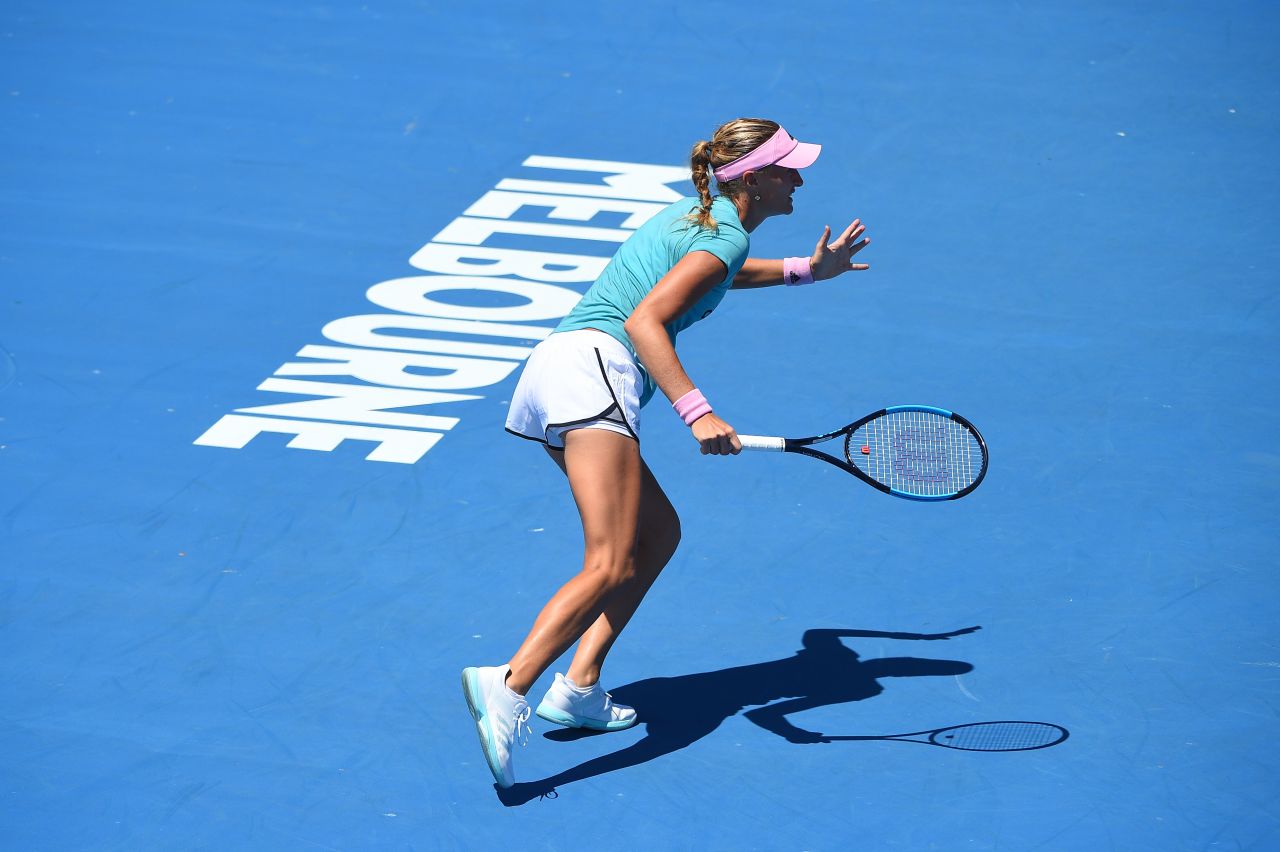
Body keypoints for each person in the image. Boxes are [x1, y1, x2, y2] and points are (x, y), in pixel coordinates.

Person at [462, 117, 871, 789]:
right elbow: (645, 320)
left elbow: (712, 276)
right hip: (597, 369)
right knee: (609, 559)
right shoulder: (726, 235)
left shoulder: (703, 220)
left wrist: (803, 270)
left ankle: (580, 684)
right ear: (755, 180)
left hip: (558, 369)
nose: (799, 178)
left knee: (656, 535)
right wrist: (697, 410)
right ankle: (508, 683)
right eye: (788, 168)